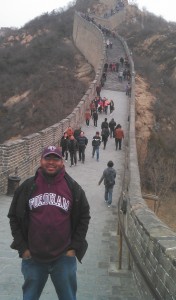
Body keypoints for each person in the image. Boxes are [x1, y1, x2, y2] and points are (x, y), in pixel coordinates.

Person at [8, 145, 90, 300]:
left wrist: (74, 247)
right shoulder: (27, 187)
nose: (51, 162)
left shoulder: (73, 188)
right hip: (33, 257)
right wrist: (23, 247)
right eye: (47, 158)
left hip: (64, 257)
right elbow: (13, 216)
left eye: (55, 159)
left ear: (62, 162)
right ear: (41, 161)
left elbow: (84, 216)